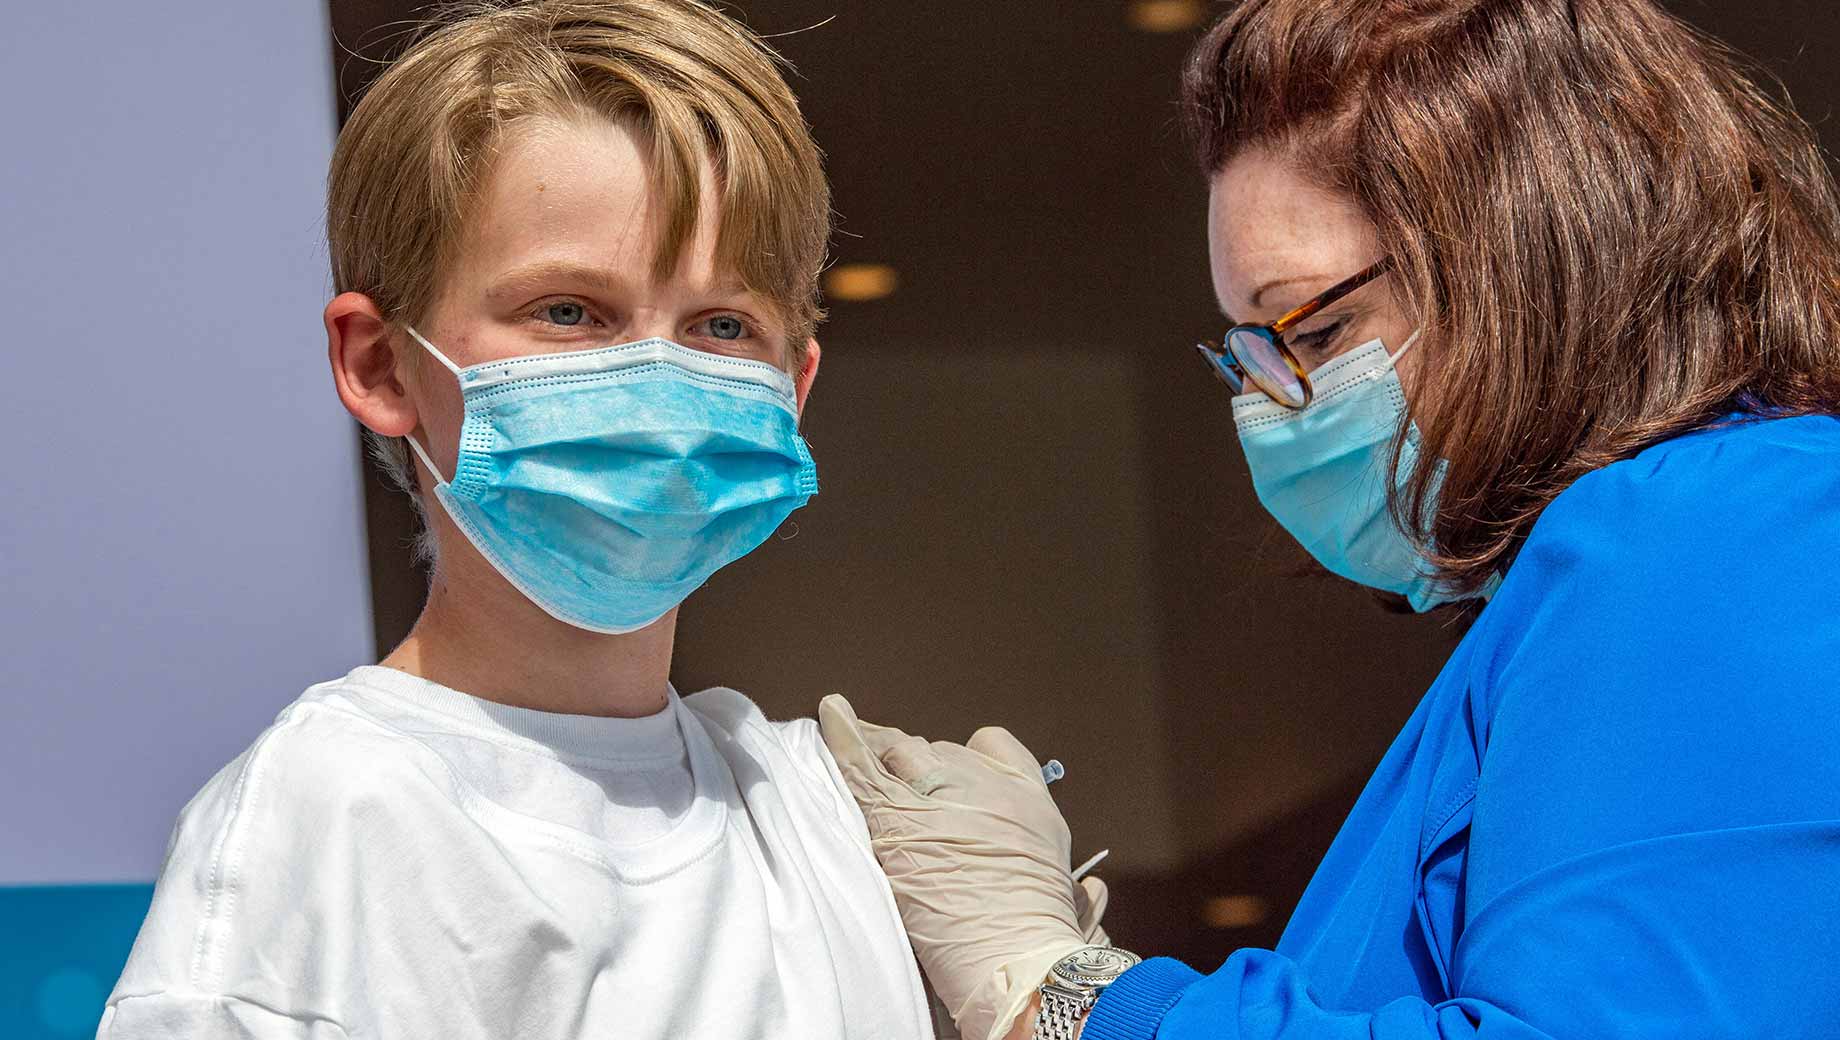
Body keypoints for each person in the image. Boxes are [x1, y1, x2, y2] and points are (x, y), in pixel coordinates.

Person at [819, 0, 1840, 1038]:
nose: (1269, 403)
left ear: (1528, 258)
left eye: (1315, 326)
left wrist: (1064, 987)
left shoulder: (1721, 526)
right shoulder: (1609, 579)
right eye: (1249, 350)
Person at [99, 2, 959, 1036]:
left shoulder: (819, 811)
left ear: (792, 388)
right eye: (569, 310)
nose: (655, 376)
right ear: (380, 363)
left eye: (721, 326)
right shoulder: (332, 821)